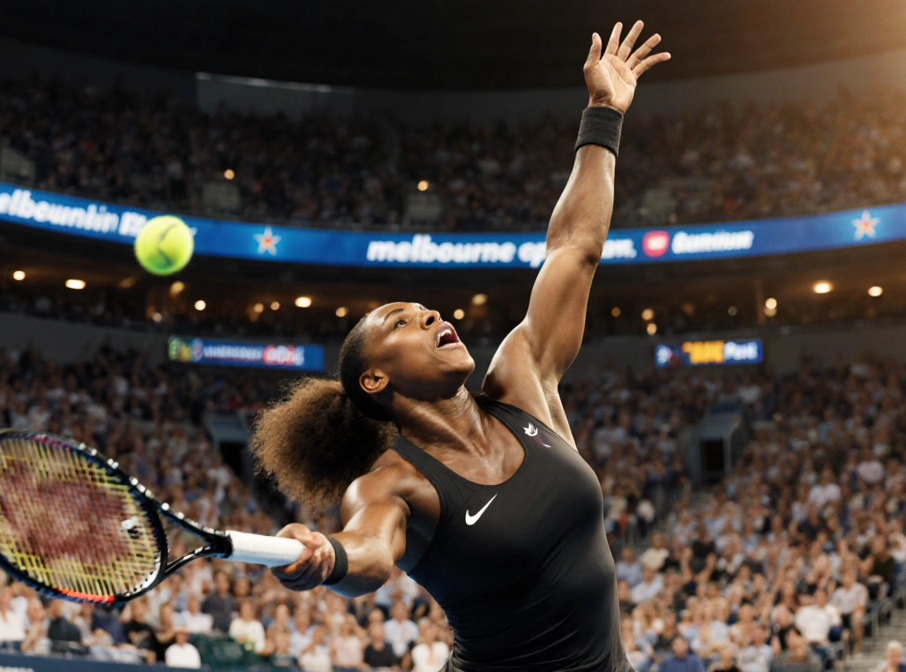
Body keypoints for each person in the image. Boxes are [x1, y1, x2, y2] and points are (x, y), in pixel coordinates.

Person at [255, 21, 670, 672]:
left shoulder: (523, 381)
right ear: (374, 378)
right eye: (401, 321)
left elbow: (573, 249)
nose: (429, 315)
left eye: (425, 310)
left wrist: (603, 114)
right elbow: (369, 553)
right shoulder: (393, 482)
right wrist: (326, 557)